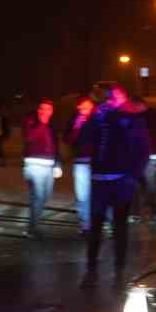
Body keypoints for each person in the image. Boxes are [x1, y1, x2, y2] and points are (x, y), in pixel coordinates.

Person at [82, 83, 150, 288]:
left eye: (115, 97)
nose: (111, 101)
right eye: (108, 97)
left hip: (120, 180)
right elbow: (83, 138)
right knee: (95, 227)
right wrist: (93, 117)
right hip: (100, 180)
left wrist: (133, 176)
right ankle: (91, 271)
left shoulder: (131, 119)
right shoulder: (98, 117)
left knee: (120, 227)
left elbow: (143, 148)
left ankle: (119, 271)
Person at [21, 97, 58, 238]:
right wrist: (42, 124)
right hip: (34, 165)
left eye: (48, 109)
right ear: (38, 109)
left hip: (49, 166)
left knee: (45, 196)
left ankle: (32, 226)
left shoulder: (51, 126)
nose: (45, 111)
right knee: (38, 196)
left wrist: (57, 164)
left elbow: (55, 146)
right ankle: (32, 228)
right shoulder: (30, 121)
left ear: (52, 111)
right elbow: (29, 138)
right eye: (42, 108)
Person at [63, 96, 95, 235]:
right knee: (82, 195)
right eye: (83, 106)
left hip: (96, 163)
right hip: (81, 162)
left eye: (89, 106)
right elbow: (67, 139)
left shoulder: (97, 119)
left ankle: (104, 222)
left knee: (99, 193)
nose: (86, 109)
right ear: (78, 107)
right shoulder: (74, 120)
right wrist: (77, 126)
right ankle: (85, 225)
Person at [133, 93, 156, 225]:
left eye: (134, 106)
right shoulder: (138, 116)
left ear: (140, 104)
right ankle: (138, 214)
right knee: (137, 185)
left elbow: (152, 135)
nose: (133, 108)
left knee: (150, 185)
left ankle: (154, 213)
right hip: (140, 155)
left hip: (148, 155)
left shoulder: (150, 116)